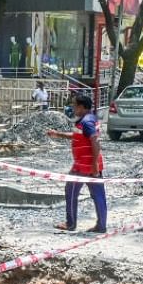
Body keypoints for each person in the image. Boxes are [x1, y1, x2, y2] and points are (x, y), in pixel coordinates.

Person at [47, 93, 106, 233]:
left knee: (70, 191)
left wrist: (94, 165)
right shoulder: (89, 119)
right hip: (90, 165)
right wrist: (58, 134)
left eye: (74, 105)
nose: (73, 107)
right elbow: (78, 136)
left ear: (81, 107)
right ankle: (102, 225)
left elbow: (95, 141)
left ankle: (70, 223)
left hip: (83, 166)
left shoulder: (86, 122)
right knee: (98, 195)